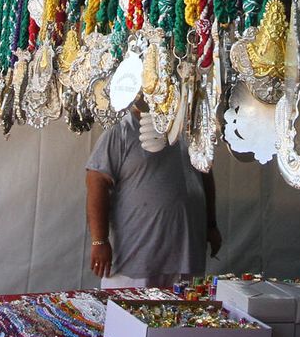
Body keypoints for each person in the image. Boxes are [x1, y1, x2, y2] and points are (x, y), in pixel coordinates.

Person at [85, 108, 220, 288]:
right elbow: (97, 181)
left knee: (187, 305)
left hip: (187, 257)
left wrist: (211, 225)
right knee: (128, 306)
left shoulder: (187, 128)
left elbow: (205, 174)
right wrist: (99, 240)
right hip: (136, 261)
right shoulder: (120, 130)